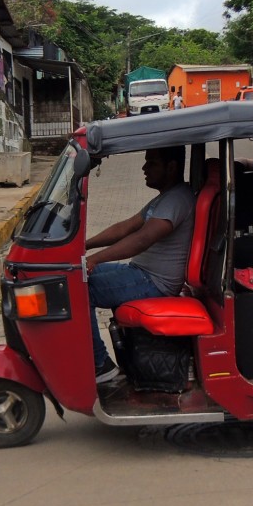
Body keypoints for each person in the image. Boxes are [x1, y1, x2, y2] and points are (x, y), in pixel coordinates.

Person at [85, 146, 195, 382]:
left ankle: (100, 365)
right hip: (140, 273)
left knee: (81, 290)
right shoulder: (165, 198)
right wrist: (85, 245)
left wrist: (95, 258)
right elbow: (126, 227)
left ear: (172, 167)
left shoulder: (177, 199)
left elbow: (142, 239)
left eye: (152, 163)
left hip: (154, 283)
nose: (144, 168)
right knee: (76, 275)